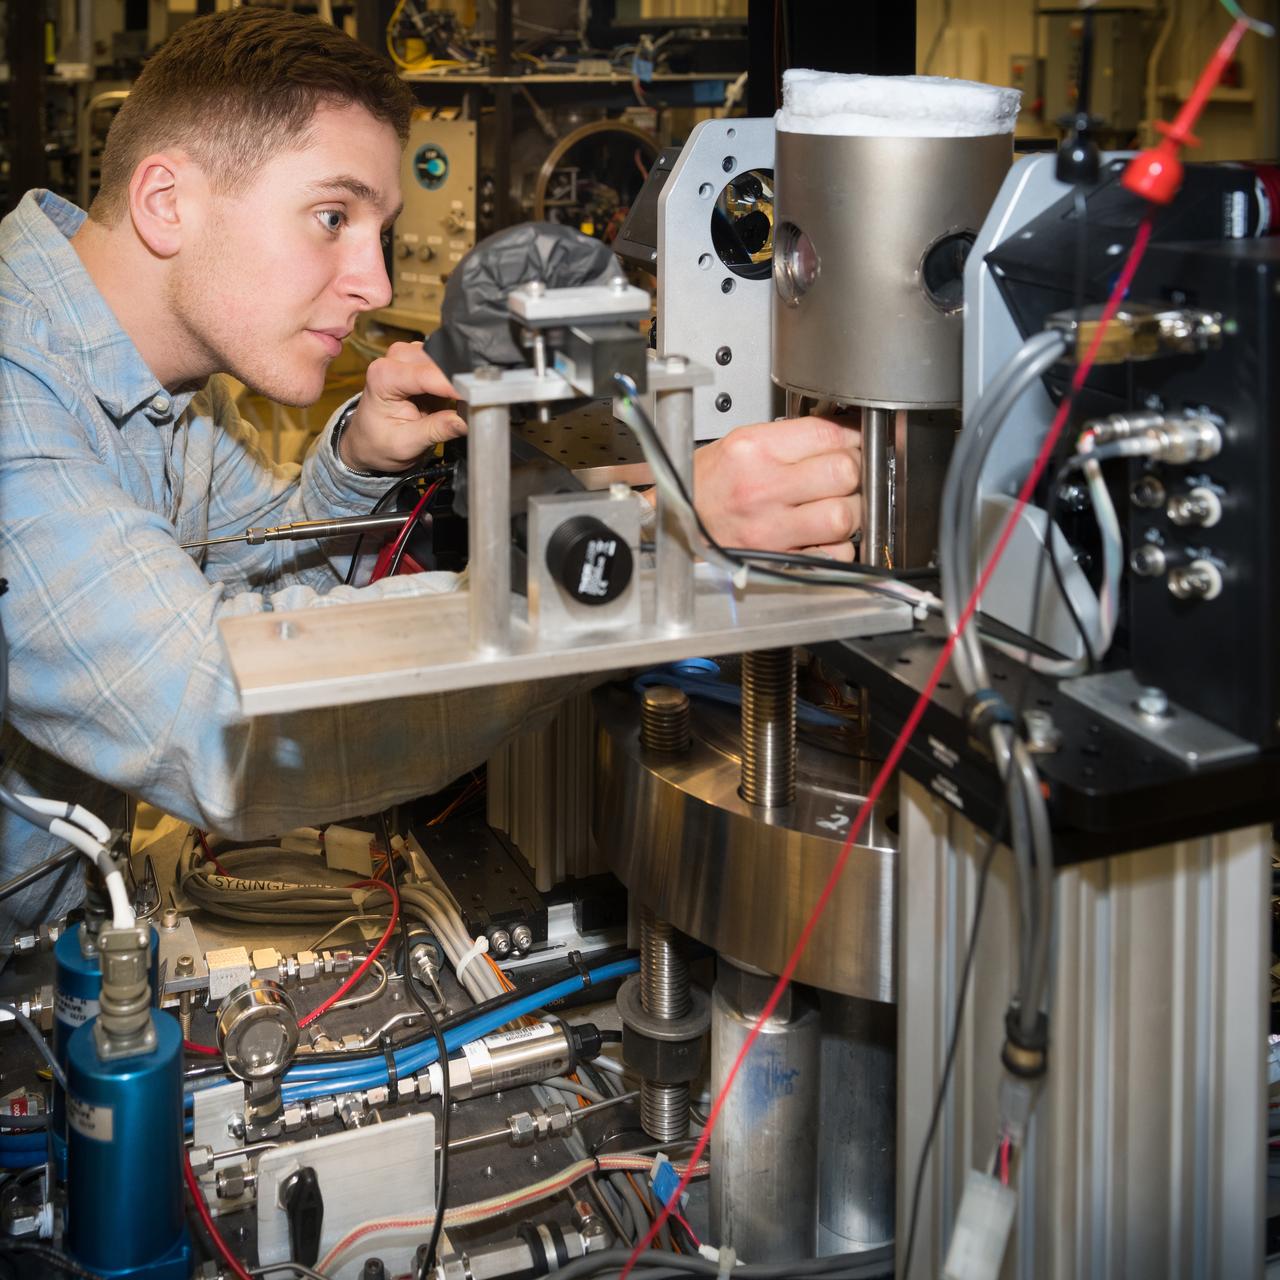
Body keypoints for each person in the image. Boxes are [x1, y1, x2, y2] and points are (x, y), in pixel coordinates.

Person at [0, 7, 862, 933]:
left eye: (380, 229)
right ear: (166, 202)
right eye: (332, 217)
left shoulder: (161, 374)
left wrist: (357, 461)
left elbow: (245, 586)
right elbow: (216, 719)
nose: (373, 282)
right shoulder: (16, 386)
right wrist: (655, 545)